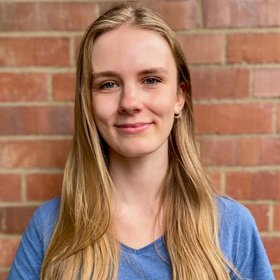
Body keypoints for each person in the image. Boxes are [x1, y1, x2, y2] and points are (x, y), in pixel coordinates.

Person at [8, 3, 274, 280]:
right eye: (108, 84)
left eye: (150, 79)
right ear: (88, 101)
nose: (130, 102)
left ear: (179, 97)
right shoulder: (50, 226)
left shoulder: (231, 226)